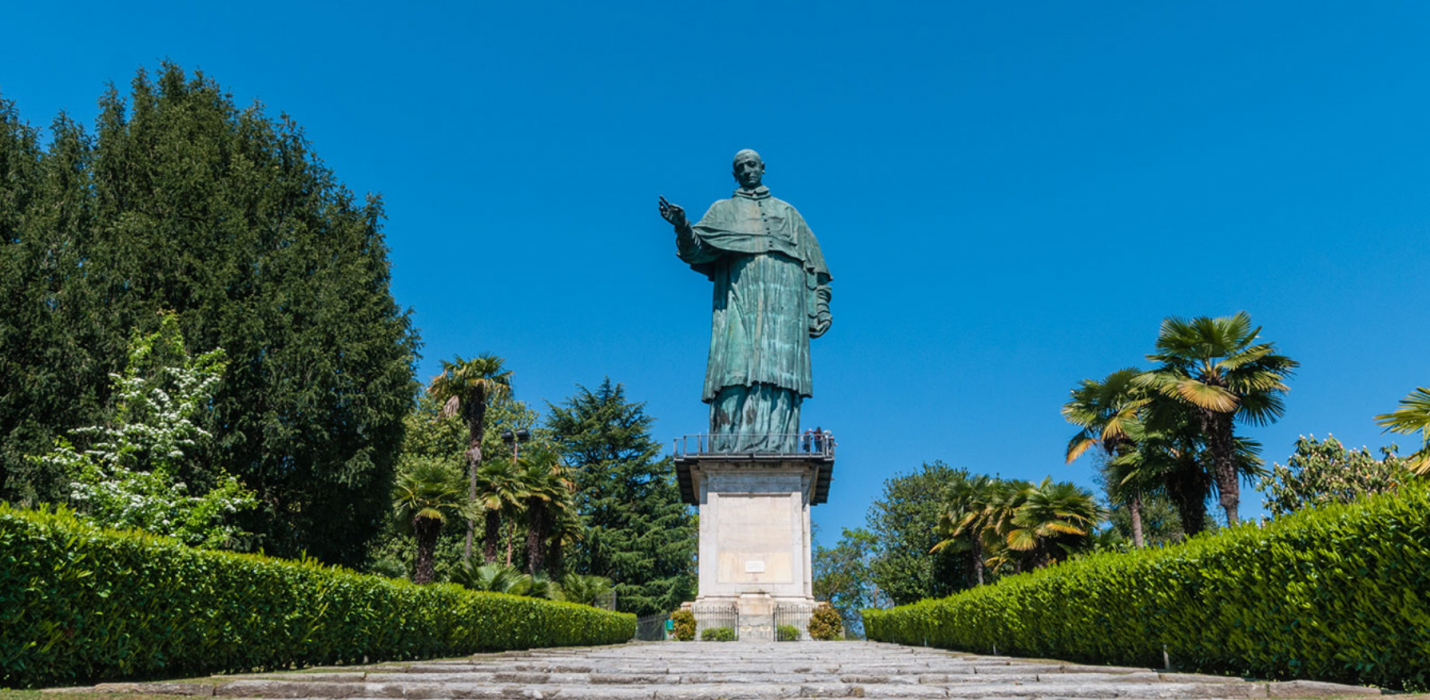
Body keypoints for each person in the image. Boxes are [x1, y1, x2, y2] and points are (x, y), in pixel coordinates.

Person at [659, 150, 832, 453]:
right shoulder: (722, 211)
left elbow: (815, 267)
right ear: (734, 175)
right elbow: (696, 251)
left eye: (752, 165)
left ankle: (778, 441)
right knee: (734, 367)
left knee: (779, 372)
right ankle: (730, 441)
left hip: (785, 301)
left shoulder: (788, 213)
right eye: (740, 167)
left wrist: (819, 307)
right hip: (740, 296)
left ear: (763, 168)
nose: (747, 170)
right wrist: (682, 226)